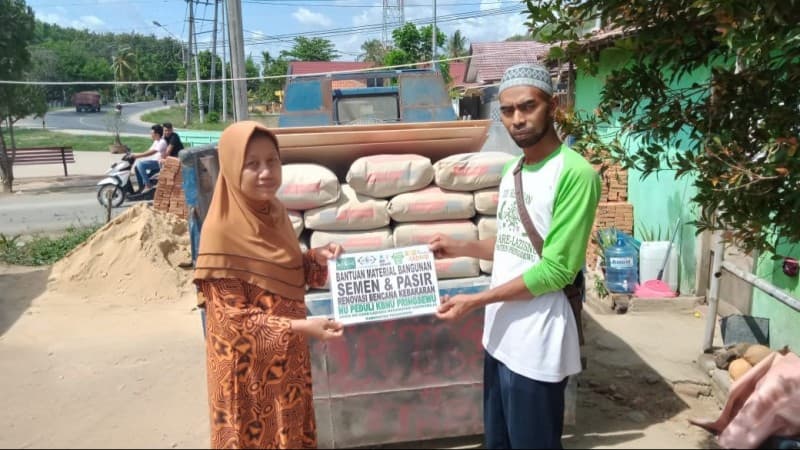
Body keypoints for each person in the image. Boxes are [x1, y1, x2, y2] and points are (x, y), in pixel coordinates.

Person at [428, 63, 601, 449]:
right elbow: (512, 243)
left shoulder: (575, 174)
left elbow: (556, 270)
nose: (517, 119)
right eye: (507, 111)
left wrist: (476, 300)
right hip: (500, 337)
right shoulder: (514, 170)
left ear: (552, 106)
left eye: (527, 107)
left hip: (537, 343)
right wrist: (458, 246)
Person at [193, 120, 345, 449]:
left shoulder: (275, 213)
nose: (266, 172)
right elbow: (234, 324)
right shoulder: (220, 232)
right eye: (252, 164)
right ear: (233, 168)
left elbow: (284, 275)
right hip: (247, 378)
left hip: (288, 364)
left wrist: (316, 257)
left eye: (272, 161)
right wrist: (303, 327)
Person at [130, 124, 167, 193]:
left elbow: (152, 152)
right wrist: (135, 155)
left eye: (152, 133)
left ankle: (148, 185)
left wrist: (137, 156)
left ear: (157, 134)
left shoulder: (162, 142)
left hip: (159, 163)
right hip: (153, 162)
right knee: (136, 167)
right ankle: (141, 187)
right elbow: (148, 151)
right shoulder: (156, 141)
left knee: (140, 164)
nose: (151, 135)